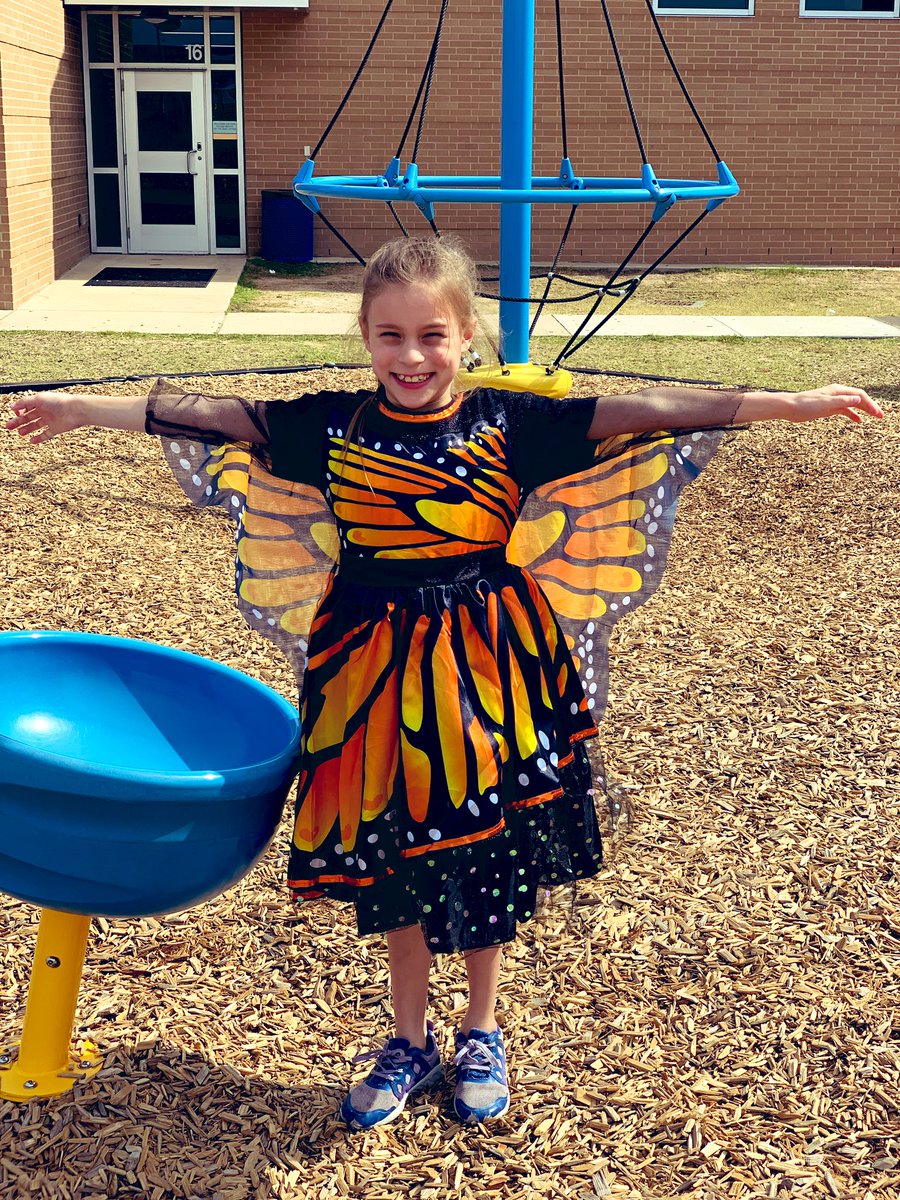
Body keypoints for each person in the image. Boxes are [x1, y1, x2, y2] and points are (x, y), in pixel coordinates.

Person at [6, 237, 883, 1130]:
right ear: (366, 336)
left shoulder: (511, 423)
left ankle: (481, 1029)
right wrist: (80, 406)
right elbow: (214, 413)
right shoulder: (332, 424)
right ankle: (407, 1037)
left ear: (467, 336)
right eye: (391, 336)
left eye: (432, 334)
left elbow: (650, 405)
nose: (412, 355)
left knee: (479, 841)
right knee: (393, 849)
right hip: (367, 674)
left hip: (484, 665)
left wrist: (793, 403)